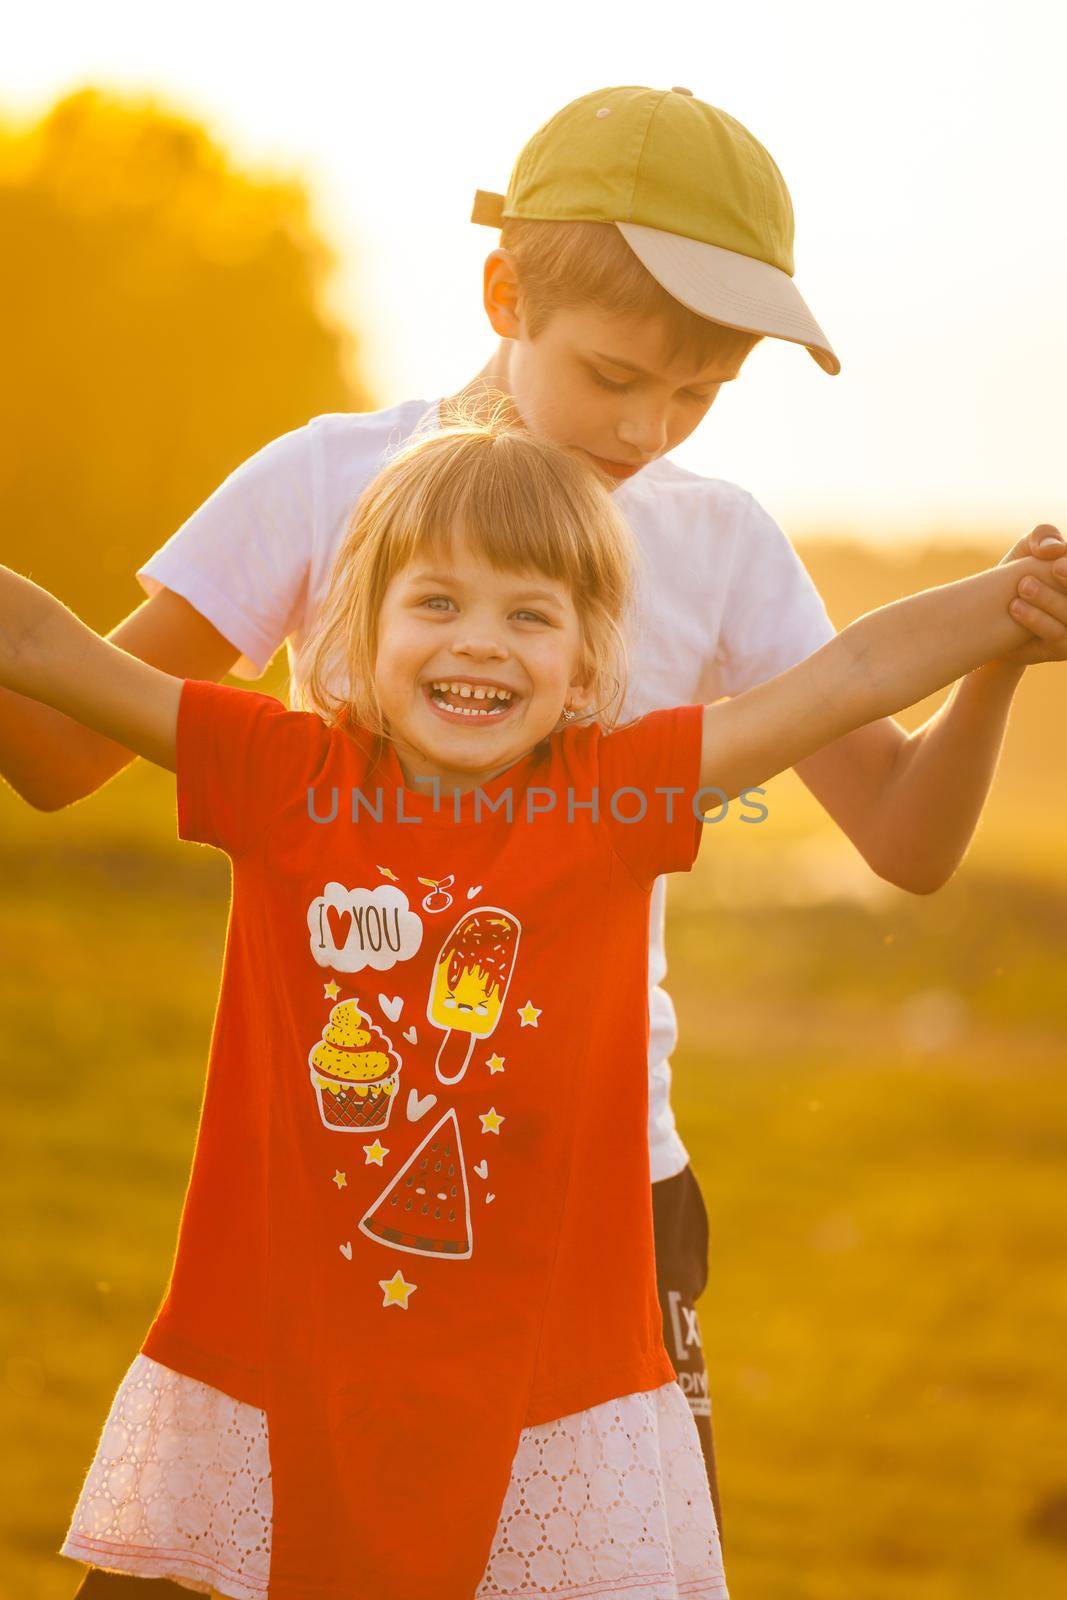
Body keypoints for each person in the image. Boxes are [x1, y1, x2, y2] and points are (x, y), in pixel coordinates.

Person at [4, 86, 1067, 1552]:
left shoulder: (721, 543)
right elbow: (62, 741)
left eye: (698, 398)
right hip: (335, 1177)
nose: (648, 428)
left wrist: (1000, 659)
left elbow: (903, 836)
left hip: (604, 1203)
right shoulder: (326, 480)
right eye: (618, 374)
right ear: (507, 291)